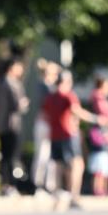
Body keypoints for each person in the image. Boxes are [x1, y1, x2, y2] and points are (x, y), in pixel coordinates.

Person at [43, 70, 97, 210]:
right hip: (68, 134)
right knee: (77, 165)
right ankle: (74, 197)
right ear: (67, 81)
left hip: (54, 134)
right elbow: (76, 110)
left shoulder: (50, 97)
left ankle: (58, 195)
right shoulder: (68, 95)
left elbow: (44, 115)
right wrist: (95, 119)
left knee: (59, 165)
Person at [0, 56, 29, 196]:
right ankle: (11, 185)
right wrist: (24, 103)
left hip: (1, 124)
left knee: (4, 155)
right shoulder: (12, 83)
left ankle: (4, 185)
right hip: (12, 124)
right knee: (13, 156)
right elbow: (17, 105)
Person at [31, 58, 60, 191]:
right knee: (42, 155)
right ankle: (38, 184)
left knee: (51, 156)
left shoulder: (51, 87)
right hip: (44, 123)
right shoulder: (43, 86)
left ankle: (50, 185)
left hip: (51, 124)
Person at [87, 77, 108, 196]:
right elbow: (105, 117)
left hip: (101, 132)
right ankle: (98, 189)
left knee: (103, 162)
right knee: (100, 162)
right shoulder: (98, 97)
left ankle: (101, 188)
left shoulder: (97, 97)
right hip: (99, 134)